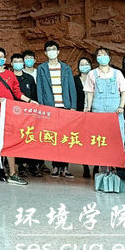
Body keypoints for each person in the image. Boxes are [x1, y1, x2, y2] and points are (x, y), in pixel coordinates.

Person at [0, 48, 34, 186]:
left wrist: (30, 101)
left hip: (9, 115)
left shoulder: (10, 75)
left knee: (9, 143)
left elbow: (17, 92)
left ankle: (13, 174)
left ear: (5, 59)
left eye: (1, 57)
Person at [36, 41, 77, 179]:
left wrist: (73, 106)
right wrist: (42, 106)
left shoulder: (66, 68)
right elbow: (39, 88)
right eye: (49, 50)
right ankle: (55, 166)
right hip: (50, 108)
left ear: (58, 51)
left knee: (65, 138)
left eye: (54, 49)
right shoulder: (42, 68)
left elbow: (72, 88)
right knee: (53, 138)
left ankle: (65, 167)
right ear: (45, 53)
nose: (52, 52)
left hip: (65, 107)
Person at [84, 47, 125, 144]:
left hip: (115, 110)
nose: (102, 57)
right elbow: (90, 93)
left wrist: (121, 106)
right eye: (99, 55)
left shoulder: (117, 73)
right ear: (96, 58)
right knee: (99, 134)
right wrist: (88, 107)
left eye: (104, 55)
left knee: (117, 135)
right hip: (98, 109)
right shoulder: (92, 73)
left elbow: (124, 92)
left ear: (109, 57)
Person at [11, 52, 39, 177]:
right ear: (11, 64)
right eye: (15, 62)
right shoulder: (9, 77)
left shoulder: (29, 78)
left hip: (28, 114)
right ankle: (21, 166)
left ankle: (32, 165)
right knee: (17, 139)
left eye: (20, 62)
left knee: (30, 138)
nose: (18, 64)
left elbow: (34, 96)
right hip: (14, 114)